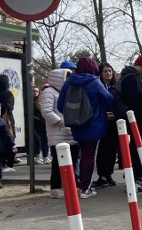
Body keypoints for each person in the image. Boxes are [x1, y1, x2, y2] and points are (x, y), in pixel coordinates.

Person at [57, 57, 114, 198]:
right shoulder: (95, 82)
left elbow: (60, 105)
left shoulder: (69, 82)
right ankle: (85, 188)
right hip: (94, 125)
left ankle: (82, 186)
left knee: (83, 155)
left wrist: (75, 114)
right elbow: (109, 100)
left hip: (77, 125)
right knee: (90, 156)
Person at [118, 53, 142, 192]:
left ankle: (135, 177)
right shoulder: (132, 79)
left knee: (137, 148)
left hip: (134, 119)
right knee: (138, 148)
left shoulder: (127, 76)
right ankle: (135, 178)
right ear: (141, 66)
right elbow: (136, 100)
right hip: (136, 119)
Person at [41, 67, 78, 199]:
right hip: (58, 132)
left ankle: (69, 185)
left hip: (70, 131)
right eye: (66, 77)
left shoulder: (66, 91)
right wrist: (60, 121)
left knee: (72, 160)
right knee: (58, 162)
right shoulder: (49, 92)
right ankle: (55, 187)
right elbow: (46, 111)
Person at [94, 62, 119, 188]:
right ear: (101, 73)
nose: (108, 73)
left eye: (110, 71)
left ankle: (109, 174)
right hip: (101, 122)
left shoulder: (116, 87)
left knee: (112, 150)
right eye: (105, 71)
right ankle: (101, 175)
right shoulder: (98, 86)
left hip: (114, 122)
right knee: (102, 150)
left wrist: (116, 114)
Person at [0, 73, 18, 169]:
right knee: (0, 142)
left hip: (6, 120)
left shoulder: (7, 93)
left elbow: (9, 107)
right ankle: (2, 163)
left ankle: (9, 163)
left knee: (8, 140)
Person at [32, 87, 50, 164]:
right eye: (34, 91)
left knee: (45, 140)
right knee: (38, 140)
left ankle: (45, 156)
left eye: (37, 91)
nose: (35, 93)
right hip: (34, 123)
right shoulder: (30, 101)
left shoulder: (40, 101)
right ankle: (37, 156)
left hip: (42, 123)